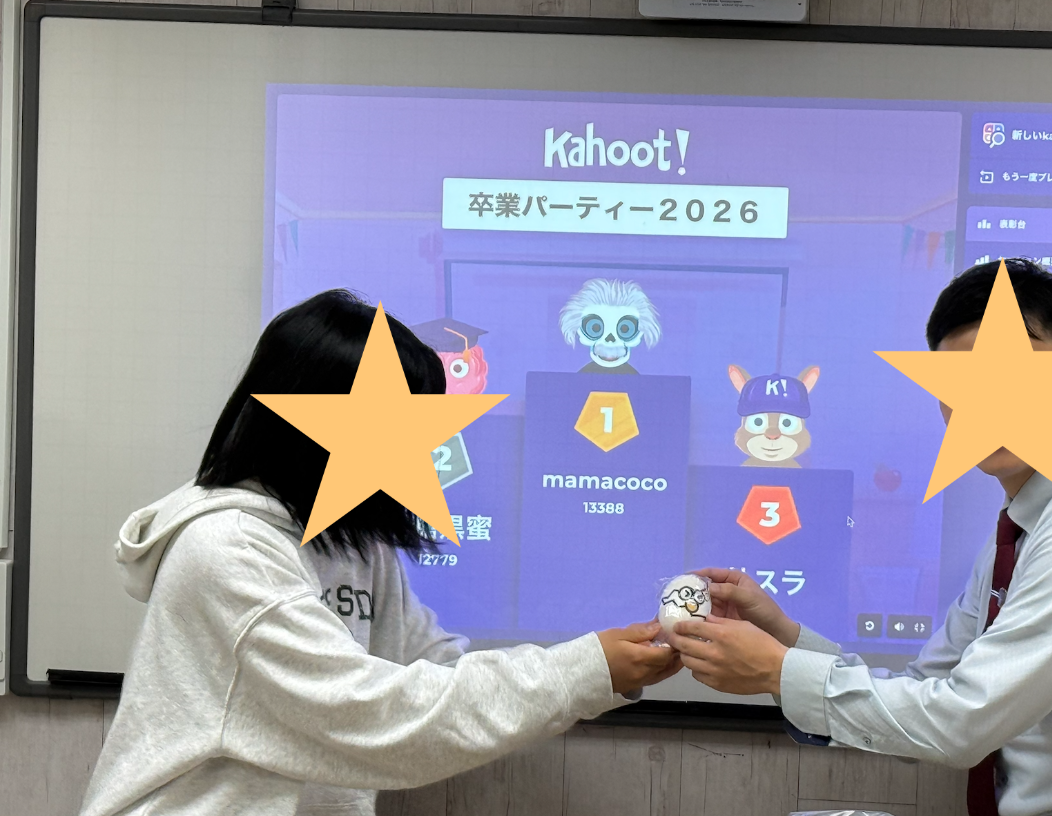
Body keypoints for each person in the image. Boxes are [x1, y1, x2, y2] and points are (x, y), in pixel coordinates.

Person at [668, 259, 1052, 816]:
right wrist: (783, 638)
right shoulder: (1026, 524)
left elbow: (961, 723)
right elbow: (927, 689)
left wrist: (776, 670)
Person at [80, 290, 680, 816]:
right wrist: (582, 671)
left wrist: (605, 665)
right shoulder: (228, 551)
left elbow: (435, 671)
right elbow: (372, 716)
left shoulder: (352, 540)